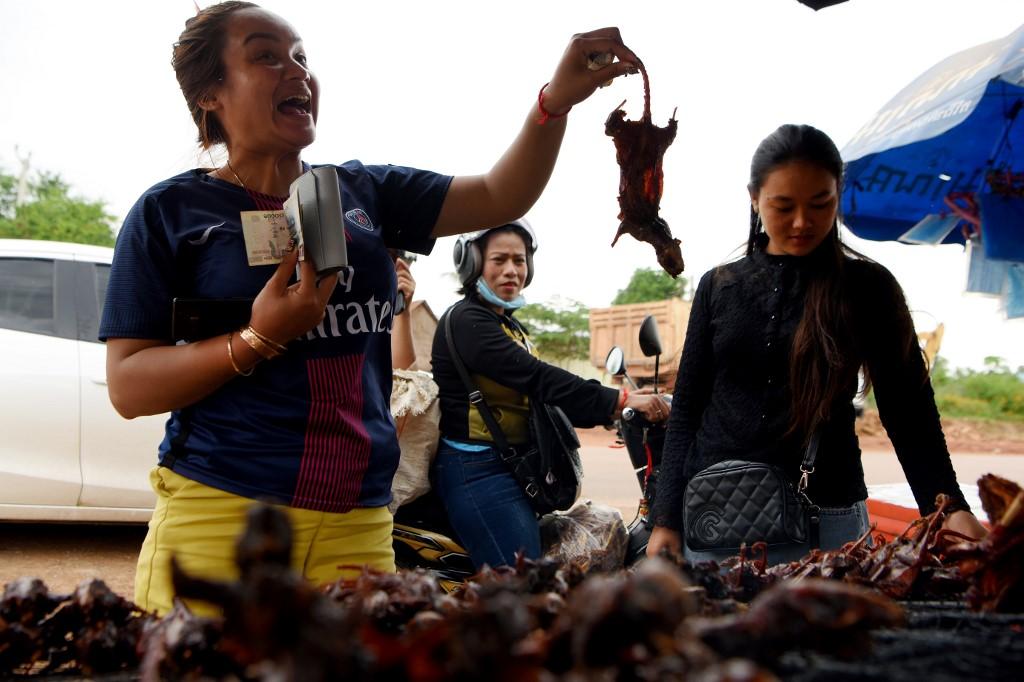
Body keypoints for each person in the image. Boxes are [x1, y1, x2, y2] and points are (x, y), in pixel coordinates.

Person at [99, 0, 642, 614]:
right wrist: (258, 337)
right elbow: (128, 386)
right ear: (211, 94)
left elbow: (499, 193)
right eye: (266, 57)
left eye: (302, 57)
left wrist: (555, 101)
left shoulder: (366, 192)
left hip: (357, 524)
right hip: (223, 516)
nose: (297, 71)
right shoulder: (170, 214)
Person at [647, 124, 987, 564]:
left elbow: (908, 411)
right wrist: (665, 519)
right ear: (754, 198)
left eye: (820, 203)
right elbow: (689, 407)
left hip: (828, 520)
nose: (803, 222)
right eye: (783, 206)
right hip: (715, 513)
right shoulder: (719, 286)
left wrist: (949, 508)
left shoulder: (868, 287)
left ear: (838, 194)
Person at [430, 220, 668, 569]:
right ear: (472, 263)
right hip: (478, 470)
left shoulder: (506, 324)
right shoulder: (468, 321)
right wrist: (620, 401)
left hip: (513, 464)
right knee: (523, 585)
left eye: (520, 260)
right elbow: (539, 378)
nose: (512, 270)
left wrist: (610, 412)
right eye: (499, 260)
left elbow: (544, 399)